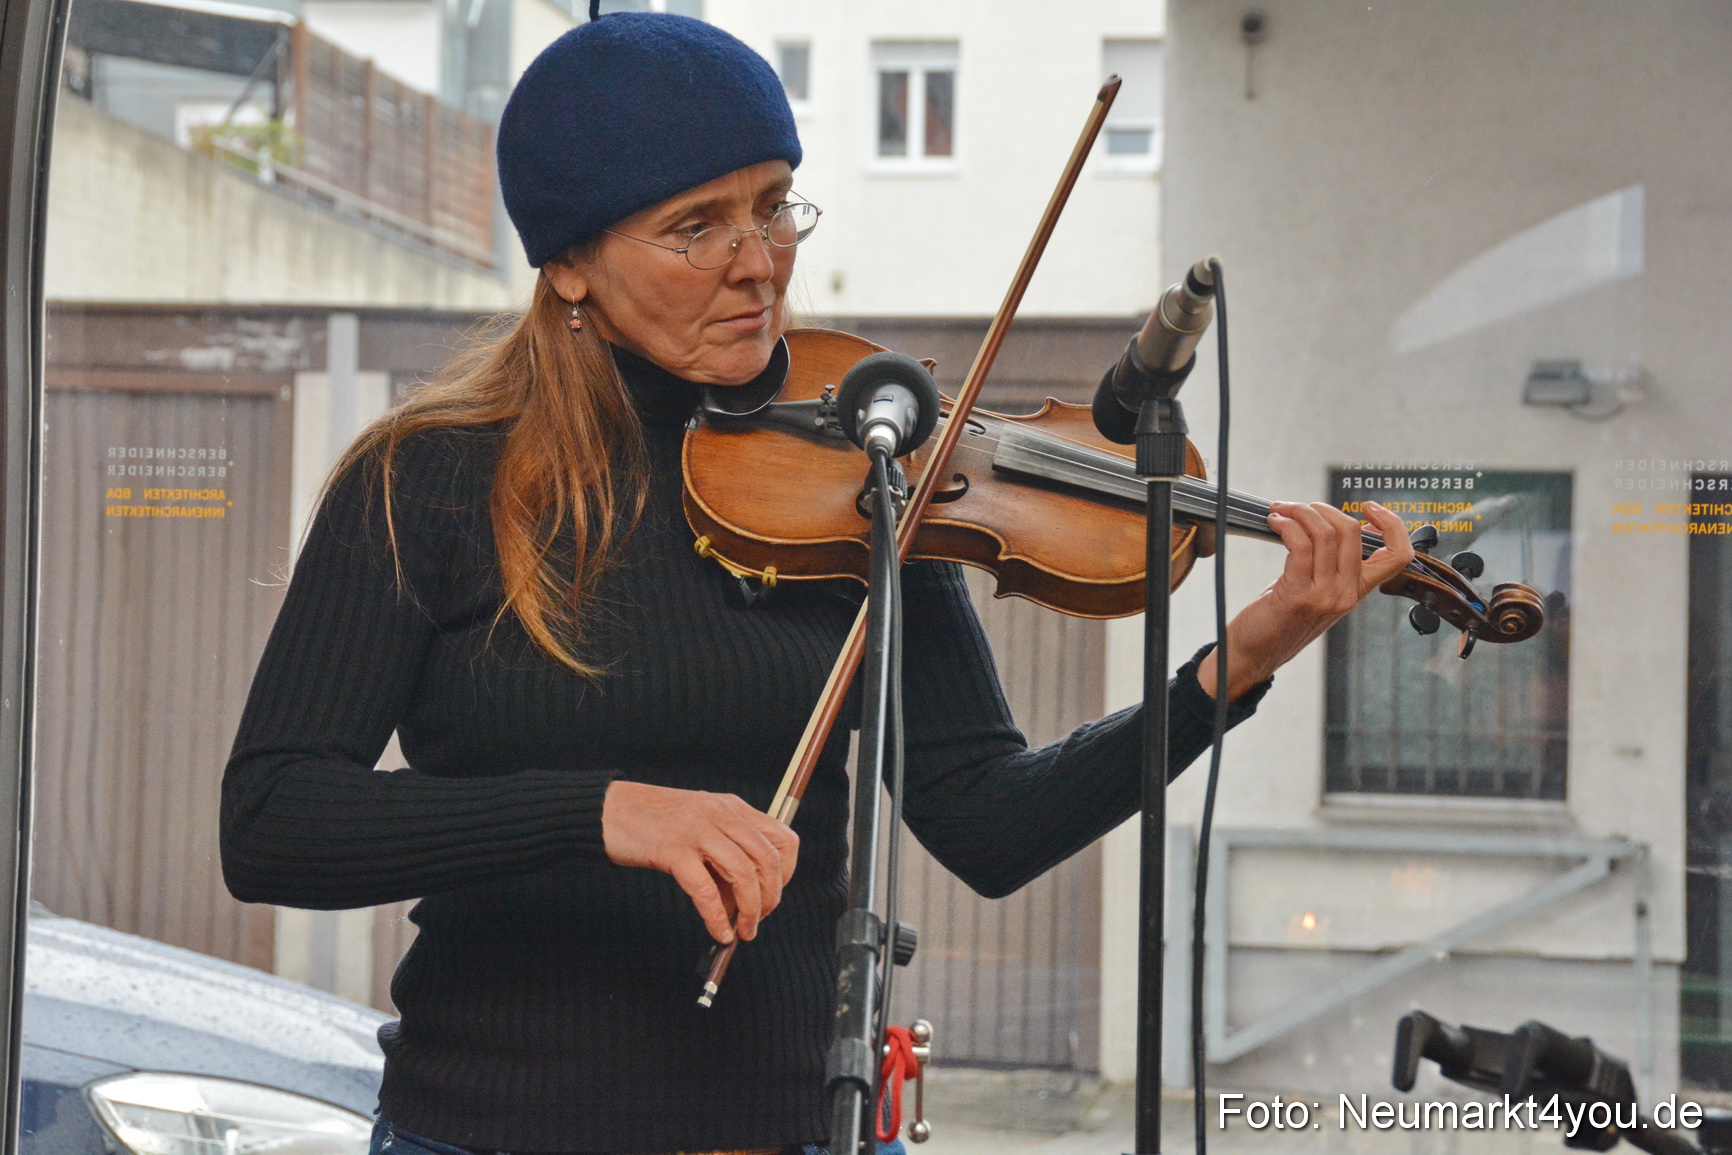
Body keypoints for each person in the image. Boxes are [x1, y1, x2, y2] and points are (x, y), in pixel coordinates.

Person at [219, 11, 1414, 1155]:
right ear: (571, 263)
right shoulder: (427, 480)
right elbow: (272, 822)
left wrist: (1236, 662)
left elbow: (986, 821)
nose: (760, 265)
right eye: (697, 226)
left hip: (792, 1125)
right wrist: (597, 810)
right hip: (488, 1127)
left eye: (773, 207)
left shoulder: (870, 457)